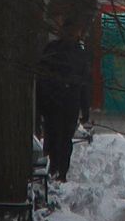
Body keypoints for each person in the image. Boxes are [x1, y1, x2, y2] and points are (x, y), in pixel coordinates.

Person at [35, 18, 90, 182]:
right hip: (64, 102)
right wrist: (84, 107)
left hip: (54, 102)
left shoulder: (52, 50)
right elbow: (84, 83)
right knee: (62, 138)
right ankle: (59, 171)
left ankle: (56, 169)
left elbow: (41, 78)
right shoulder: (77, 54)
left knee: (56, 136)